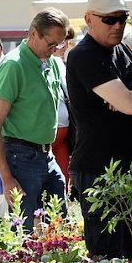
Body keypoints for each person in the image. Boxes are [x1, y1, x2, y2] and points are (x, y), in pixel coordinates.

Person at [67, 0, 132, 263]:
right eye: (109, 19)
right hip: (100, 171)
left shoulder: (121, 49)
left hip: (130, 168)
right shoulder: (83, 55)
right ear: (89, 19)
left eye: (122, 19)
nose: (117, 26)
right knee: (108, 259)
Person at [0, 8, 68, 232]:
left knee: (60, 224)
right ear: (34, 33)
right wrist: (6, 178)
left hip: (46, 154)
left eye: (59, 45)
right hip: (20, 155)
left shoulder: (48, 62)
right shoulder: (14, 65)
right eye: (51, 44)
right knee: (24, 231)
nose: (54, 50)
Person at [51, 27, 76, 190]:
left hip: (63, 131)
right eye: (64, 41)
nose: (66, 45)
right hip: (50, 132)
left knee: (62, 182)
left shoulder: (60, 63)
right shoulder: (51, 61)